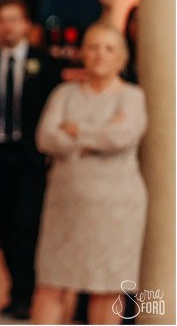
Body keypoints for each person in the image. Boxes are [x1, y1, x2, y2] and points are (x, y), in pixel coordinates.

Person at [31, 22, 148, 324]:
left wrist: (76, 131)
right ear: (82, 52)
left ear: (122, 57)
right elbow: (45, 138)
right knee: (51, 284)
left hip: (117, 210)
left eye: (109, 49)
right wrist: (98, 135)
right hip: (65, 206)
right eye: (93, 47)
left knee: (107, 288)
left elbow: (121, 137)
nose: (100, 54)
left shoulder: (131, 97)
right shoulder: (64, 93)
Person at [0, 0, 62, 320]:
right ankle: (16, 288)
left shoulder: (46, 63)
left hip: (30, 159)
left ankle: (25, 292)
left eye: (13, 20)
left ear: (27, 26)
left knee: (27, 227)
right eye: (1, 20)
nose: (7, 26)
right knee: (3, 226)